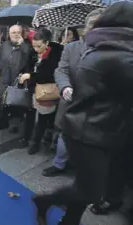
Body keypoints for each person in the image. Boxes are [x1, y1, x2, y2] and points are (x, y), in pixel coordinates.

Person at [32, 2, 133, 225]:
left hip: (106, 129)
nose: (90, 28)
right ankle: (45, 200)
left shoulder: (112, 48)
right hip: (87, 129)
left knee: (86, 184)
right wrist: (65, 85)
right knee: (92, 190)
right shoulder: (112, 53)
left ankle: (69, 220)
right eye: (88, 24)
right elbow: (61, 70)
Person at [42, 8, 105, 177]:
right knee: (65, 134)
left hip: (96, 106)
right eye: (92, 24)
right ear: (85, 26)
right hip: (71, 101)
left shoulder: (108, 50)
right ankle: (59, 164)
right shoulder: (70, 48)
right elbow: (61, 71)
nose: (95, 28)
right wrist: (65, 86)